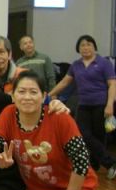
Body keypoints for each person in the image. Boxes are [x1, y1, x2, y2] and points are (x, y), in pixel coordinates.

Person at [49, 35, 116, 178]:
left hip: (100, 104)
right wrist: (49, 95)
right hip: (83, 105)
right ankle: (111, 163)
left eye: (89, 44)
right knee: (83, 134)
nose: (86, 47)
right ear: (78, 49)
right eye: (82, 45)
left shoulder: (104, 63)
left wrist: (110, 104)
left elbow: (112, 84)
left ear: (94, 47)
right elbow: (64, 82)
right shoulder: (76, 65)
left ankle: (94, 166)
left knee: (99, 136)